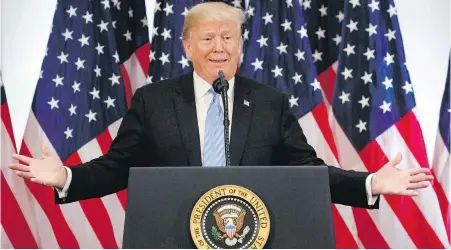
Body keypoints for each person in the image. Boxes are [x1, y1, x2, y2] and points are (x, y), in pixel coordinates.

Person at [9, 2, 432, 208]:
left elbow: (306, 172)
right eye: (208, 37)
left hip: (251, 236)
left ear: (241, 46)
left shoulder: (270, 103)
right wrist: (66, 176)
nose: (218, 47)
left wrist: (370, 184)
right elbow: (117, 168)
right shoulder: (153, 101)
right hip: (171, 237)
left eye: (228, 37)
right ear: (187, 45)